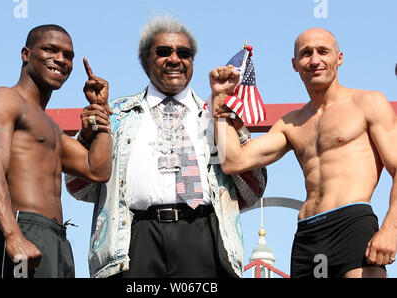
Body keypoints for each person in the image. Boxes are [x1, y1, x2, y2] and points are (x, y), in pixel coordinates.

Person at [65, 16, 266, 278]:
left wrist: (232, 125)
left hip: (203, 237)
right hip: (134, 241)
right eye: (163, 52)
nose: (174, 59)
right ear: (146, 60)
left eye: (184, 53)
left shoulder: (215, 115)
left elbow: (253, 190)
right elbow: (78, 187)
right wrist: (89, 137)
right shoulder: (116, 117)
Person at [210, 27, 397, 278]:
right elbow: (234, 161)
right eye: (306, 53)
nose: (315, 60)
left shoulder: (367, 103)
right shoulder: (292, 123)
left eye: (323, 51)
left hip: (351, 225)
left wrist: (391, 230)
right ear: (295, 64)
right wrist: (220, 97)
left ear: (339, 58)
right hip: (307, 235)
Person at [0, 24, 112, 278]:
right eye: (51, 50)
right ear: (26, 54)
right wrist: (13, 234)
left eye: (68, 55)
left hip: (58, 239)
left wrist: (100, 110)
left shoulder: (53, 130)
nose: (61, 60)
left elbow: (98, 170)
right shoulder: (4, 99)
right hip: (23, 228)